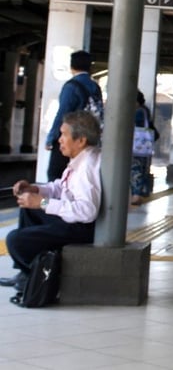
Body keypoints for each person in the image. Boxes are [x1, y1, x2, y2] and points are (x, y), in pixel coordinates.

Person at [1, 110, 102, 293]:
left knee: (15, 241)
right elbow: (61, 187)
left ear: (81, 140)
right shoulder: (82, 159)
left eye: (64, 135)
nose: (59, 140)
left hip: (81, 228)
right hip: (73, 221)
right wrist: (35, 190)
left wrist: (43, 203)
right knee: (28, 208)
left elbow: (87, 211)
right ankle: (25, 274)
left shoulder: (88, 167)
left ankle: (36, 275)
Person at [45, 50, 103, 181]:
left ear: (71, 66)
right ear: (90, 67)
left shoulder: (71, 86)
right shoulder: (95, 87)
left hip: (72, 137)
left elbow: (62, 114)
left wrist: (52, 138)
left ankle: (57, 195)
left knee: (55, 174)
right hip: (88, 139)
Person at [130, 91, 157, 205]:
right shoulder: (145, 110)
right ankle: (139, 194)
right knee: (141, 169)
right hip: (143, 148)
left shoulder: (139, 112)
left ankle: (136, 195)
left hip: (137, 147)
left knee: (136, 170)